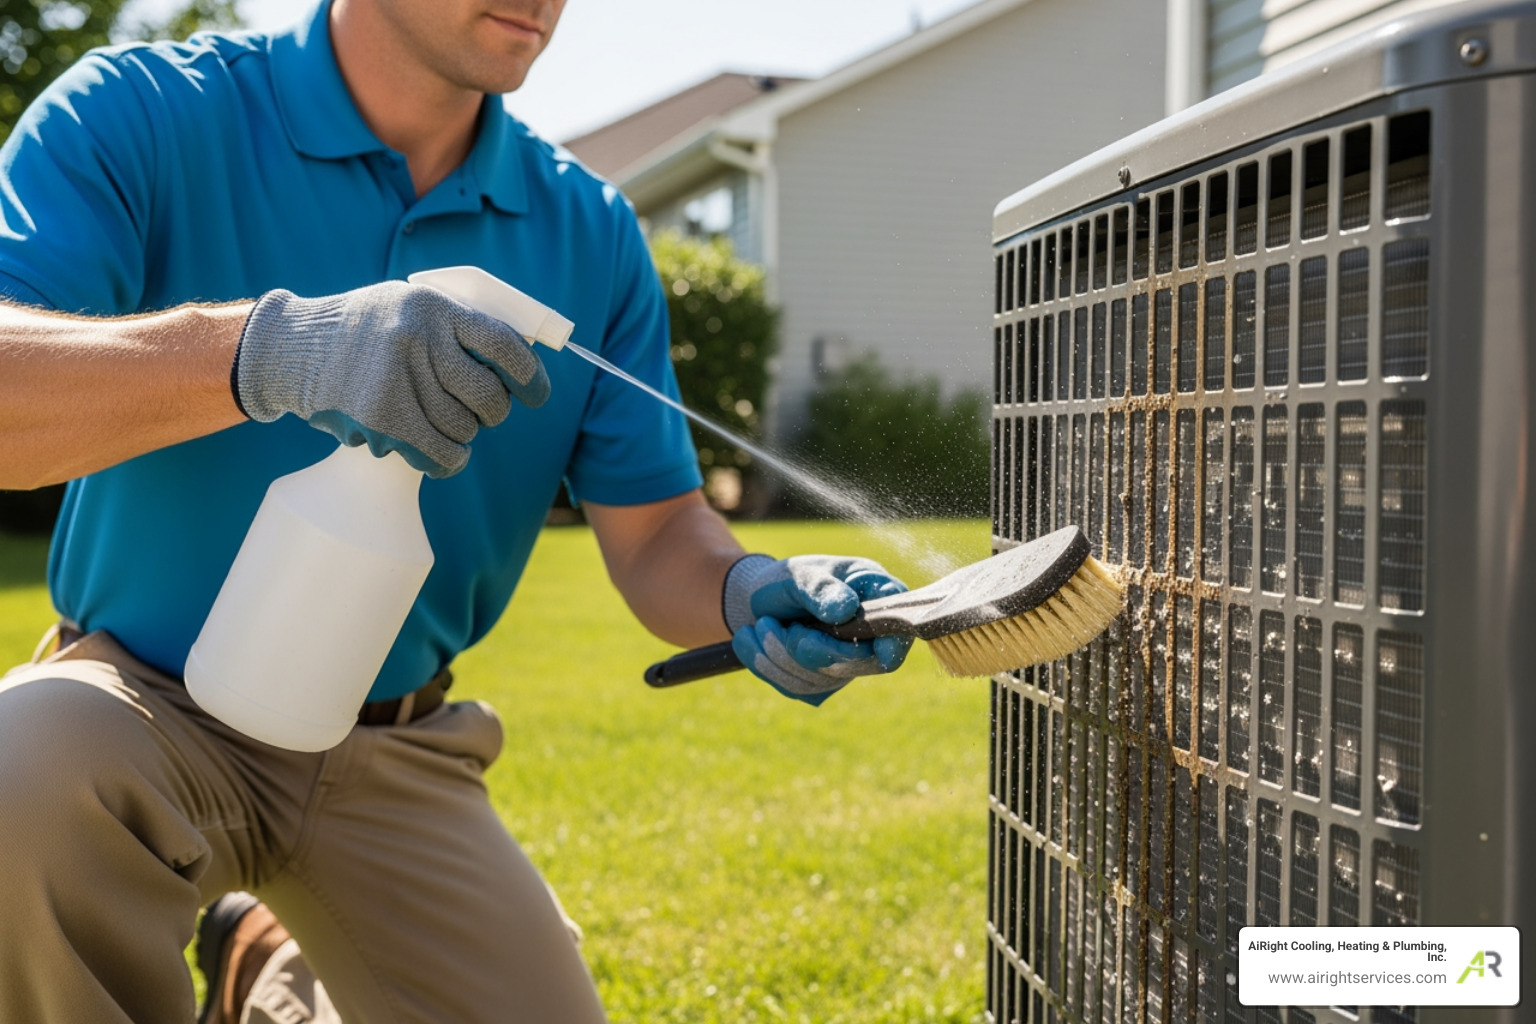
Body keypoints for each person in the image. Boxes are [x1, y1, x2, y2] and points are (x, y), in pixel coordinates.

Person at [0, 1, 913, 1021]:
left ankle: (272, 971)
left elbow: (657, 533)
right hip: (134, 715)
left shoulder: (589, 232)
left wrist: (746, 586)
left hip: (393, 748)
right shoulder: (142, 117)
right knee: (20, 761)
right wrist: (270, 350)